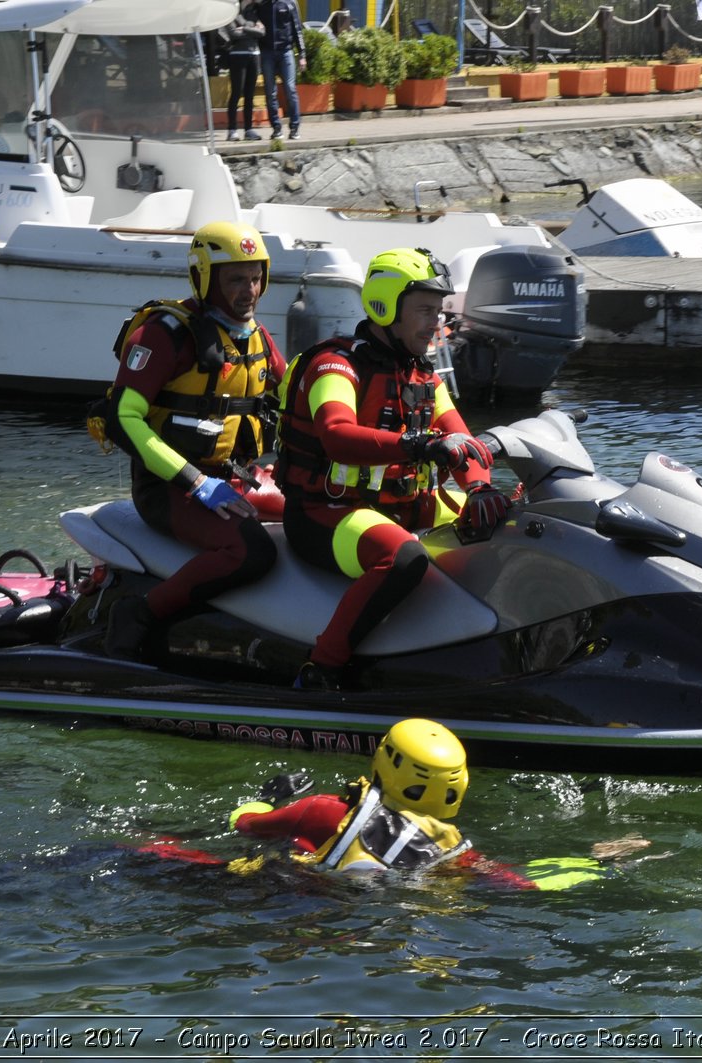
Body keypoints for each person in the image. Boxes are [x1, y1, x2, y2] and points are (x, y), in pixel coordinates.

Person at [274, 247, 511, 690]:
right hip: (326, 514)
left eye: (438, 311)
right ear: (386, 307)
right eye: (423, 310)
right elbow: (336, 435)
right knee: (403, 557)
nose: (434, 322)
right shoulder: (335, 365)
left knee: (507, 521)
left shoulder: (424, 377)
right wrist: (420, 445)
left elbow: (464, 443)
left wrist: (479, 489)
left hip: (403, 508)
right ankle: (321, 669)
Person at [99, 221, 287, 660]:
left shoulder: (255, 336)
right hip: (167, 488)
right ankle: (140, 613)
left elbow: (298, 396)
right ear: (205, 277)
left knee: (314, 513)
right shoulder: (164, 333)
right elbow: (123, 420)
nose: (250, 290)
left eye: (256, 276)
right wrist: (196, 483)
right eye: (236, 279)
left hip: (236, 479)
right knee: (251, 551)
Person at [227, 718, 622, 889]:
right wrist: (597, 862)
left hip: (288, 906)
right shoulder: (450, 851)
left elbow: (243, 825)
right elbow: (519, 885)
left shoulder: (322, 809)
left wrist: (268, 797)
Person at [257, 0, 307, 140]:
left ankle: (295, 127)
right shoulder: (262, 5)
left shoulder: (289, 3)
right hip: (267, 53)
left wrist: (302, 54)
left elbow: (297, 29)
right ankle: (276, 128)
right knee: (270, 91)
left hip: (286, 52)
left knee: (290, 88)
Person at [222, 2, 266, 141]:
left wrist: (245, 29)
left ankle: (249, 129)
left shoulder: (253, 12)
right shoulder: (231, 14)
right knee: (236, 92)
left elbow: (262, 32)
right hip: (237, 56)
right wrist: (252, 29)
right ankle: (232, 130)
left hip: (254, 56)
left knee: (249, 94)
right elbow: (233, 33)